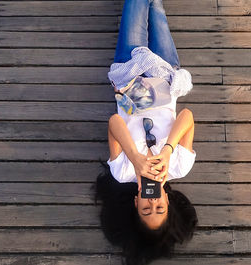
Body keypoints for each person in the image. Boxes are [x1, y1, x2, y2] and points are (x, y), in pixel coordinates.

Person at [94, 0, 198, 264]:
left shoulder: (123, 172)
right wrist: (166, 151)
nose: (152, 202)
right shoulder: (178, 167)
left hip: (129, 70)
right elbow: (187, 116)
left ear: (136, 204)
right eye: (159, 207)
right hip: (166, 74)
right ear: (168, 201)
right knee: (157, 11)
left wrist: (136, 159)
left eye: (146, 208)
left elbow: (115, 122)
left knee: (136, 4)